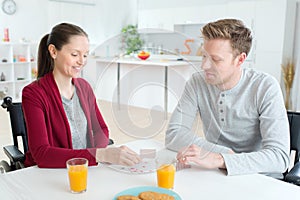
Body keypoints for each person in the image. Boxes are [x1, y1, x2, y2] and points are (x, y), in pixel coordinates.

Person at [165, 18, 290, 178]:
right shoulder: (197, 82)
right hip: (216, 173)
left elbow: (279, 157)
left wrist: (220, 158)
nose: (204, 66)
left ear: (240, 60)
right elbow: (173, 134)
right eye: (204, 56)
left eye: (215, 60)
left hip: (258, 177)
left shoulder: (265, 87)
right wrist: (221, 154)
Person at [22, 23, 141, 168]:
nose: (82, 61)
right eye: (74, 54)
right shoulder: (33, 93)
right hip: (53, 172)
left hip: (87, 169)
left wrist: (99, 153)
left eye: (85, 55)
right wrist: (99, 154)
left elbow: (101, 129)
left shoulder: (84, 87)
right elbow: (42, 154)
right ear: (53, 51)